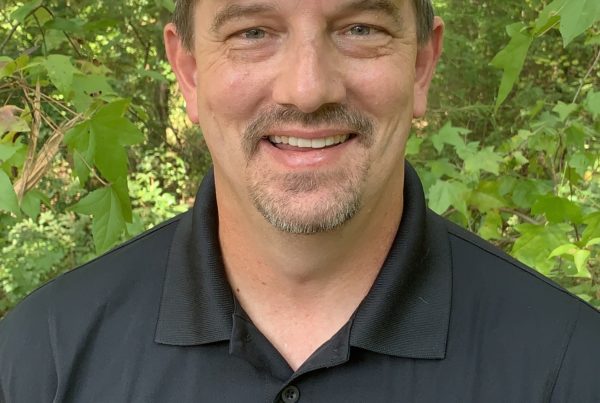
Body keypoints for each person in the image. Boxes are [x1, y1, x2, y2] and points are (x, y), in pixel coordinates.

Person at [1, 0, 599, 401]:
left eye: (360, 28)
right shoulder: (39, 360)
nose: (308, 90)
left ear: (422, 65)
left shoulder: (572, 367)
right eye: (252, 32)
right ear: (188, 71)